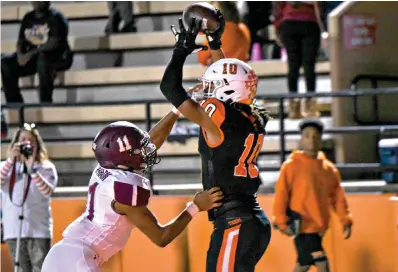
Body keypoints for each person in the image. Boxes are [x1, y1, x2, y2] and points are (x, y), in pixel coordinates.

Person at [160, 17, 272, 272]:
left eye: (213, 86)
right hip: (249, 216)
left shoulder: (218, 115)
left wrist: (181, 49)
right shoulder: (252, 114)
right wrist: (214, 42)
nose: (207, 90)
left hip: (235, 220)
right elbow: (227, 73)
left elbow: (169, 88)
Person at [41, 116, 223, 272]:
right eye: (138, 150)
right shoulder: (123, 192)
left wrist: (178, 110)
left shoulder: (108, 166)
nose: (145, 152)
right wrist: (195, 207)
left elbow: (151, 141)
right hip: (76, 259)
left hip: (66, 255)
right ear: (124, 157)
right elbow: (162, 237)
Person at [272, 119, 353, 272]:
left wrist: (345, 220)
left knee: (303, 264)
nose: (311, 139)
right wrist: (281, 220)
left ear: (321, 139)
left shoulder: (328, 169)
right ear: (301, 140)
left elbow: (338, 197)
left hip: (319, 226)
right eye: (307, 135)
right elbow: (281, 194)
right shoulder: (291, 166)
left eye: (315, 136)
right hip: (300, 225)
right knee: (321, 261)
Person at [0, 123, 58, 272]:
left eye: (31, 140)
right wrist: (11, 160)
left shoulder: (46, 167)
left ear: (37, 145)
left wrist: (32, 170)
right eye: (23, 140)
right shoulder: (6, 167)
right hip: (13, 229)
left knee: (41, 268)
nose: (27, 143)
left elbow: (47, 191)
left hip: (39, 229)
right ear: (16, 144)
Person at [1, 1, 73, 104]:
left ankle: (45, 103)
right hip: (34, 59)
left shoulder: (56, 18)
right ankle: (16, 105)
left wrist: (30, 54)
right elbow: (21, 41)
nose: (36, 2)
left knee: (42, 59)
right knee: (5, 63)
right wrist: (20, 55)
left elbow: (53, 43)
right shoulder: (28, 18)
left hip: (56, 57)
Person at [272, 1, 327, 119]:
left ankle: (294, 107)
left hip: (289, 22)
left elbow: (278, 5)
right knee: (309, 65)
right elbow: (321, 5)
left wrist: (276, 25)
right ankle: (310, 106)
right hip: (310, 22)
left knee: (293, 65)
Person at [197, 1, 251, 66]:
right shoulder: (244, 28)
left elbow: (202, 59)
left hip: (220, 71)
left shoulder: (215, 33)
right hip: (240, 70)